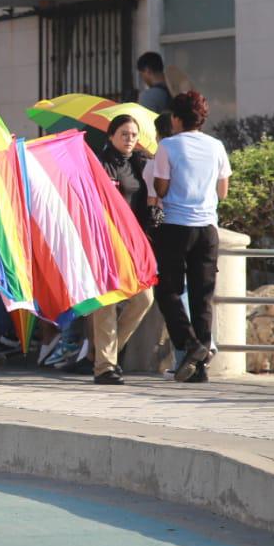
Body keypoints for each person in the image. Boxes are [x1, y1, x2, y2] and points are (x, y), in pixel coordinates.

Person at [151, 90, 232, 383]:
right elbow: (222, 192)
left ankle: (190, 344)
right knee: (202, 295)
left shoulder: (168, 147)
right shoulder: (217, 146)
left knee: (168, 290)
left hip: (175, 226)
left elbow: (160, 189)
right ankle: (200, 368)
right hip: (208, 228)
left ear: (175, 118)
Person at [92, 114, 157, 384]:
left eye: (133, 135)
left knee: (144, 299)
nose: (130, 139)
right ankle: (104, 366)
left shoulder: (140, 164)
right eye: (124, 134)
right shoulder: (99, 163)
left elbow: (150, 195)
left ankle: (107, 355)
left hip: (134, 243)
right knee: (107, 302)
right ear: (111, 136)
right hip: (105, 241)